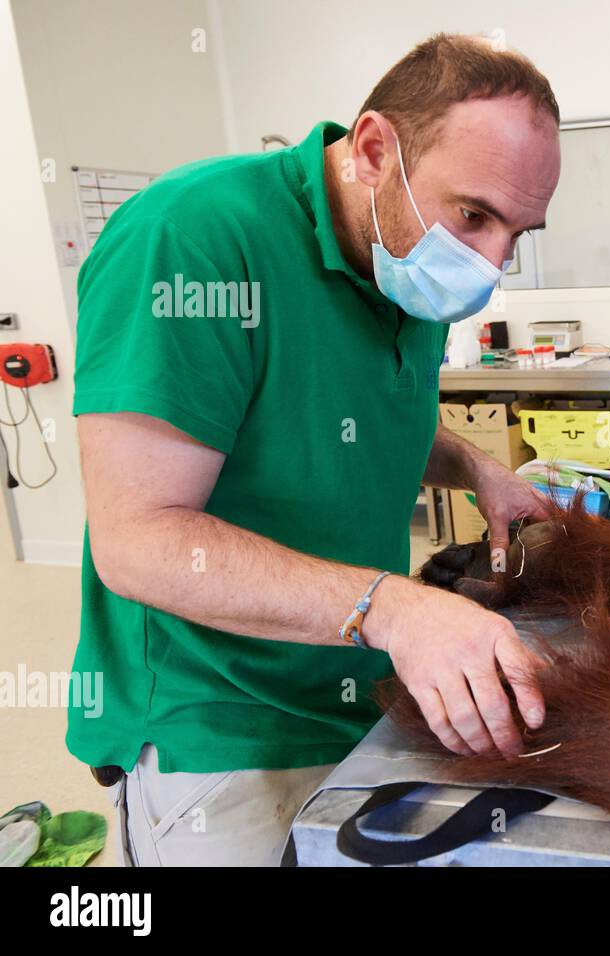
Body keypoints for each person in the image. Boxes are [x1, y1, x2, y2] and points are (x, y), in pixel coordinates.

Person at [68, 33, 562, 865]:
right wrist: (393, 606)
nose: (490, 264)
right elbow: (138, 538)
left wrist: (475, 468)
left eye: (518, 231)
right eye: (474, 214)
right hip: (221, 731)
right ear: (375, 150)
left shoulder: (403, 259)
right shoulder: (194, 241)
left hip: (355, 687)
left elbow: (360, 416)